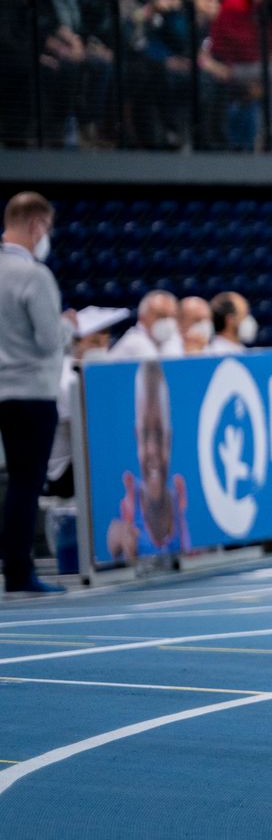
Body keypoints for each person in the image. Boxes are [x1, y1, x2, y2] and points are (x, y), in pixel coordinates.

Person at [0, 192, 72, 593]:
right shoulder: (34, 275)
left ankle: (15, 566)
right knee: (27, 484)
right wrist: (67, 326)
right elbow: (48, 340)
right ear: (36, 225)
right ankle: (18, 570)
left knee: (14, 482)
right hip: (30, 391)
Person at [105, 359, 190, 563]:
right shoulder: (123, 511)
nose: (152, 449)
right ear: (136, 437)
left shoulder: (182, 499)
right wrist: (120, 548)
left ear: (169, 438)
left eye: (159, 435)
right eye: (145, 435)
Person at [49, 310, 116, 499]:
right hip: (64, 473)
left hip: (86, 460)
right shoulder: (63, 377)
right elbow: (88, 432)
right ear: (75, 342)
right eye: (95, 342)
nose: (102, 347)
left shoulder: (101, 374)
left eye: (105, 341)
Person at [109, 290, 183, 359]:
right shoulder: (135, 342)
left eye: (172, 316)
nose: (167, 321)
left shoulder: (173, 337)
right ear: (143, 317)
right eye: (161, 316)